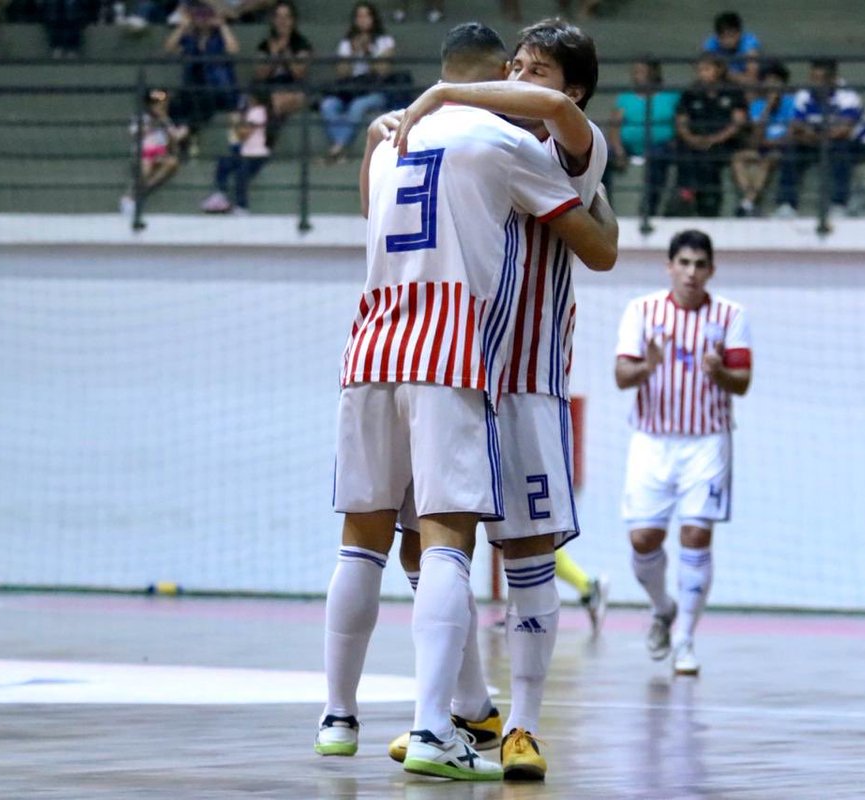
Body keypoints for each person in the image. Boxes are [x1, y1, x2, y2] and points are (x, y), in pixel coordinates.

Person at [316, 21, 617, 782]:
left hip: (521, 380)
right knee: (426, 541)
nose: (518, 79)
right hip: (457, 367)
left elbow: (603, 247)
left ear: (570, 91)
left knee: (523, 551)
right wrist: (390, 133)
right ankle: (465, 708)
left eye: (537, 72)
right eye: (512, 66)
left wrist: (446, 91)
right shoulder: (474, 139)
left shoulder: (564, 147)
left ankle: (521, 726)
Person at [614, 229, 752, 677]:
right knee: (643, 539)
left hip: (707, 442)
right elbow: (621, 375)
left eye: (700, 265)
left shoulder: (731, 315)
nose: (691, 273)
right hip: (652, 440)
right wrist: (648, 365)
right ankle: (662, 607)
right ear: (669, 266)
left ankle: (686, 641)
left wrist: (720, 372)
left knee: (696, 535)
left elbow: (743, 381)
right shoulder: (642, 310)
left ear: (711, 270)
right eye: (684, 263)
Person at [774, 58, 865, 218]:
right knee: (791, 148)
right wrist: (810, 136)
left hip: (857, 144)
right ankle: (786, 205)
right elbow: (796, 126)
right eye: (813, 79)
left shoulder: (848, 96)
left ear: (833, 79)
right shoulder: (804, 95)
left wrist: (812, 135)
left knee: (840, 147)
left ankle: (838, 204)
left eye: (820, 80)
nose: (815, 84)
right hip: (819, 140)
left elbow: (843, 131)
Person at [671, 52, 747, 218]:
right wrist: (691, 138)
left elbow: (738, 123)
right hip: (695, 141)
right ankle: (686, 195)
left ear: (718, 70)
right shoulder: (691, 92)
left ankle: (709, 203)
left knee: (709, 157)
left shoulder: (733, 92)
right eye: (699, 70)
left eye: (706, 69)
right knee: (684, 150)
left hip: (723, 142)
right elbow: (681, 121)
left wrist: (714, 139)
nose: (702, 73)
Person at [319, 2, 396, 163]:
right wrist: (353, 52)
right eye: (359, 16)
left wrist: (368, 51)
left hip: (375, 90)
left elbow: (383, 71)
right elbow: (342, 73)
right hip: (350, 90)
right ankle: (341, 148)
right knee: (328, 105)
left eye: (366, 15)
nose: (363, 20)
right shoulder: (346, 43)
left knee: (358, 106)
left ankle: (338, 147)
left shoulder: (385, 41)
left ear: (373, 18)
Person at [609, 57, 680, 216]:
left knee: (658, 157)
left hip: (660, 146)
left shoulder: (671, 96)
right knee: (603, 156)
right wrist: (618, 149)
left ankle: (649, 209)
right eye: (634, 72)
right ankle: (604, 208)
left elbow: (679, 124)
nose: (636, 75)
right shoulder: (625, 97)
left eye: (641, 71)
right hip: (627, 147)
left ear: (654, 73)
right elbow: (614, 127)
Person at [164, 1, 241, 136]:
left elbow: (233, 50)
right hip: (192, 88)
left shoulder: (219, 37)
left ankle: (188, 133)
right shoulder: (190, 38)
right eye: (198, 14)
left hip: (218, 89)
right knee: (173, 103)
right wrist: (183, 27)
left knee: (203, 100)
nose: (202, 18)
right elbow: (169, 48)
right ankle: (183, 133)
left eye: (206, 14)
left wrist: (222, 25)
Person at [730, 59, 794, 216]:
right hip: (761, 148)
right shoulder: (757, 106)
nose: (772, 86)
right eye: (768, 81)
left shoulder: (792, 103)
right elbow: (755, 140)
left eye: (776, 81)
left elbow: (792, 136)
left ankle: (748, 202)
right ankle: (749, 201)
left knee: (767, 161)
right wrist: (767, 108)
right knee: (738, 158)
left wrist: (770, 143)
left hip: (780, 150)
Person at [200, 85, 272, 213]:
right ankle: (220, 194)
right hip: (246, 151)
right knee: (224, 163)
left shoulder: (257, 112)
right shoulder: (255, 111)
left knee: (240, 175)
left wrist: (235, 122)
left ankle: (241, 206)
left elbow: (244, 134)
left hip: (255, 154)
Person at [120, 88, 188, 216]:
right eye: (156, 102)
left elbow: (174, 141)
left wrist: (164, 122)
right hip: (143, 154)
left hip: (160, 154)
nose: (160, 105)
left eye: (163, 102)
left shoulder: (168, 120)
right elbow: (135, 133)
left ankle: (139, 193)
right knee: (145, 165)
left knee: (172, 162)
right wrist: (154, 122)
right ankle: (133, 197)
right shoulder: (141, 117)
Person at [254, 0, 313, 124]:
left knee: (284, 101)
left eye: (286, 17)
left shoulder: (302, 44)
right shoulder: (265, 45)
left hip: (292, 87)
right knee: (268, 99)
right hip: (270, 87)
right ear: (273, 20)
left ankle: (267, 140)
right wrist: (274, 55)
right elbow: (261, 75)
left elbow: (299, 73)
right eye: (279, 17)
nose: (283, 21)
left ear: (293, 20)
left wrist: (286, 52)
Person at [702, 11, 760, 84]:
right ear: (717, 36)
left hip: (742, 85)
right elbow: (704, 74)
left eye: (731, 36)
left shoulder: (749, 43)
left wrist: (726, 73)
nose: (727, 41)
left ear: (739, 33)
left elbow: (752, 80)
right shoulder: (711, 43)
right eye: (723, 37)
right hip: (721, 82)